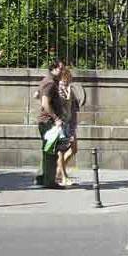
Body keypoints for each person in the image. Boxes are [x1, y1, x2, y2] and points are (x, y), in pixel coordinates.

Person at [35, 60, 65, 189]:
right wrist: (56, 118)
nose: (62, 71)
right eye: (60, 69)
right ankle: (49, 181)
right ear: (53, 69)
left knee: (47, 150)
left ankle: (42, 177)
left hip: (45, 120)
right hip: (48, 122)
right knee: (51, 152)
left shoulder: (46, 81)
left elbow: (36, 95)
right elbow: (45, 103)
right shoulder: (50, 83)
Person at [56, 66, 83, 187]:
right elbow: (63, 104)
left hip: (71, 122)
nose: (71, 78)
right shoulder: (59, 87)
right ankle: (63, 176)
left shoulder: (69, 88)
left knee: (74, 149)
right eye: (69, 76)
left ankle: (58, 172)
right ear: (64, 76)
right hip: (63, 123)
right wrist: (68, 92)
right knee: (61, 151)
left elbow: (74, 106)